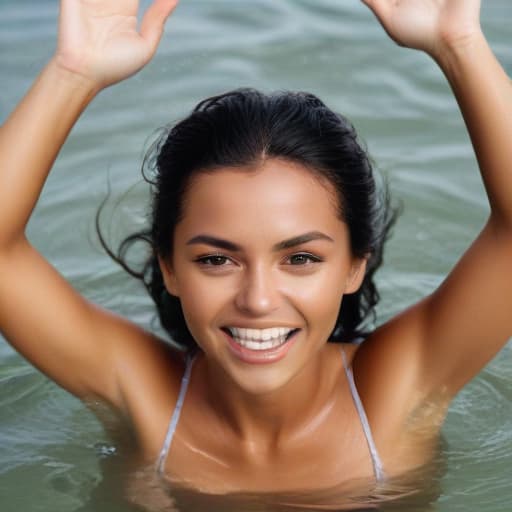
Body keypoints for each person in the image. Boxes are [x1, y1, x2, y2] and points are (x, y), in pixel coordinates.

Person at [0, 0, 510, 508]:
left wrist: (458, 46)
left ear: (356, 264)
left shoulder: (396, 392)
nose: (259, 300)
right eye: (216, 260)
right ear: (169, 267)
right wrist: (73, 73)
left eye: (301, 258)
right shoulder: (146, 398)